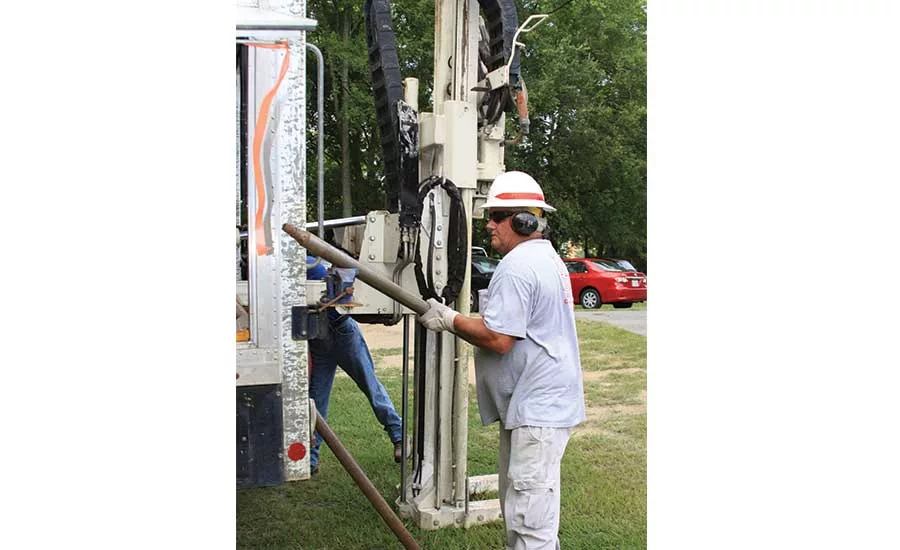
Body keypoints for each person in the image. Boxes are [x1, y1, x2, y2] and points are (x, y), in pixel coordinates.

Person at [418, 171, 586, 549]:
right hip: (536, 407)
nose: (489, 225)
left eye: (497, 216)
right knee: (528, 508)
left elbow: (499, 339)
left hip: (538, 410)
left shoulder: (519, 265)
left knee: (529, 520)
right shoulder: (546, 259)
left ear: (525, 221)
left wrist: (450, 320)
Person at [306, 255, 405, 474]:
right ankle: (310, 460)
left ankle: (399, 437)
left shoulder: (308, 264)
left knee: (367, 387)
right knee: (317, 401)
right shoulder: (311, 263)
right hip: (324, 336)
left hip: (338, 333)